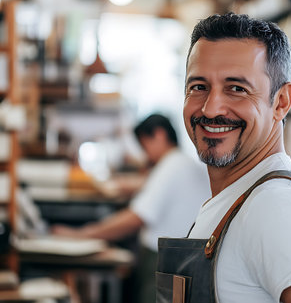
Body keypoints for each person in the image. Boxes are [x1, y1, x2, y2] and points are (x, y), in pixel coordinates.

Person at [159, 13, 291, 302]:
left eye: (237, 89)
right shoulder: (243, 194)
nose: (210, 108)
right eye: (198, 87)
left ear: (281, 102)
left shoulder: (279, 207)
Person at [52, 113, 211, 303]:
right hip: (178, 258)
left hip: (167, 261)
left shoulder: (172, 166)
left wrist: (82, 234)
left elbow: (136, 217)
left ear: (159, 135)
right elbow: (145, 184)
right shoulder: (179, 163)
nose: (145, 154)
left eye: (144, 146)